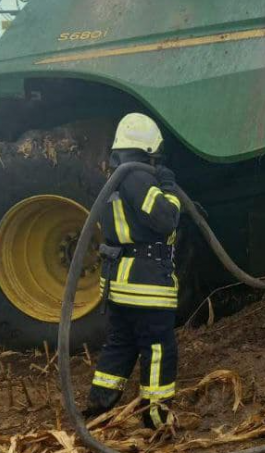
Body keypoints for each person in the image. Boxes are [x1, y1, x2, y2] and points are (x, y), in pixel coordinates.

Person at [84, 113, 182, 429]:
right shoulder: (139, 178)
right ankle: (155, 418)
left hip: (119, 280)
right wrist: (170, 189)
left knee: (121, 344)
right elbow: (166, 219)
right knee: (158, 349)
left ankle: (99, 404)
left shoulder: (111, 179)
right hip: (147, 282)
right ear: (148, 146)